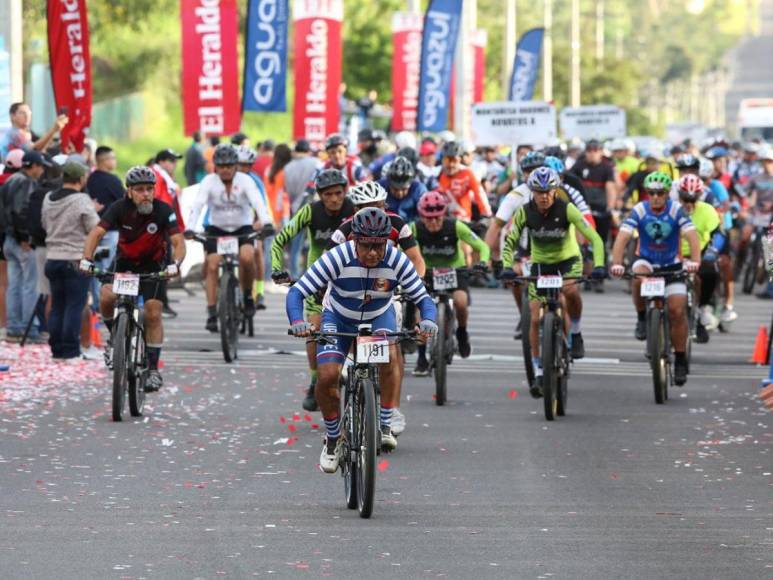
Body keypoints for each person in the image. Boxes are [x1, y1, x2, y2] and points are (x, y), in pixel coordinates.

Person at [286, 207, 437, 472]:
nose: (373, 253)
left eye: (379, 246)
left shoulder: (395, 259)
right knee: (328, 375)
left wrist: (428, 321)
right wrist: (298, 321)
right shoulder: (338, 256)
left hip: (378, 317)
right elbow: (297, 292)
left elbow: (423, 298)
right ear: (355, 240)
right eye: (366, 245)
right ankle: (333, 438)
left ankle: (385, 423)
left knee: (391, 357)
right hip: (338, 317)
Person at [501, 168, 606, 398]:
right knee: (535, 317)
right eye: (539, 192)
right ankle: (539, 368)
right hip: (541, 264)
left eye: (549, 191)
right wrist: (507, 267)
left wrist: (598, 265)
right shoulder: (525, 212)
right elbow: (510, 242)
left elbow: (594, 238)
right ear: (532, 192)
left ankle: (575, 333)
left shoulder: (567, 209)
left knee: (570, 291)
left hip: (568, 261)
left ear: (556, 190)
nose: (545, 196)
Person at [81, 166, 185, 390]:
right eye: (139, 190)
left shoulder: (163, 210)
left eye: (149, 189)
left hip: (154, 267)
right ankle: (114, 339)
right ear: (129, 191)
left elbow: (178, 241)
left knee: (153, 311)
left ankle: (153, 369)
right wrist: (87, 259)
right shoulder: (119, 208)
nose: (146, 194)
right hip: (125, 265)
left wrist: (175, 264)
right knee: (106, 297)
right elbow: (96, 233)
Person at [271, 169, 355, 411]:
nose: (334, 199)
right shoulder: (310, 211)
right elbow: (280, 240)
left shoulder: (354, 210)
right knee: (314, 331)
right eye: (327, 194)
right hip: (317, 281)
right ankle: (315, 379)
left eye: (338, 193)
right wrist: (278, 269)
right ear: (319, 195)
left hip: (347, 278)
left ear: (345, 192)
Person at [609, 171, 701, 386]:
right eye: (651, 193)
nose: (656, 197)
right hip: (648, 261)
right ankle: (642, 318)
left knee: (678, 311)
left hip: (672, 265)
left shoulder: (677, 210)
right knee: (636, 275)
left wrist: (695, 262)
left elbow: (692, 236)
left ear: (668, 193)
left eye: (660, 193)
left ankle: (679, 359)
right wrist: (616, 263)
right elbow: (622, 237)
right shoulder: (640, 209)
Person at [185, 144, 272, 331]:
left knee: (248, 257)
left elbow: (258, 202)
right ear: (215, 166)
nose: (225, 170)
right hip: (217, 230)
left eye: (229, 166)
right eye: (221, 166)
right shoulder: (209, 181)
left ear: (235, 166)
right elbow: (198, 205)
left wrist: (267, 222)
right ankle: (211, 312)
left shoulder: (246, 181)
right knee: (212, 264)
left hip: (242, 228)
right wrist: (190, 228)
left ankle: (248, 295)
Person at [411, 191, 490, 375]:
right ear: (421, 217)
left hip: (454, 270)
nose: (433, 223)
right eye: (428, 219)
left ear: (443, 215)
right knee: (420, 313)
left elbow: (482, 246)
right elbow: (398, 248)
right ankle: (421, 357)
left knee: (461, 302)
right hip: (428, 272)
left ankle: (462, 333)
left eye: (437, 218)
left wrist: (483, 262)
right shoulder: (414, 228)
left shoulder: (455, 226)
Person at [42, 161, 100, 360]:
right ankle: (70, 350)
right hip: (75, 258)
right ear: (81, 179)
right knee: (75, 305)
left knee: (57, 305)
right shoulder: (82, 199)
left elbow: (43, 223)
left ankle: (56, 350)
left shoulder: (48, 198)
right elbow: (94, 228)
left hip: (52, 258)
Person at [2, 151, 52, 342]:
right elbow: (21, 211)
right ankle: (28, 330)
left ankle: (14, 327)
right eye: (41, 166)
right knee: (30, 285)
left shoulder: (10, 180)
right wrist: (24, 236)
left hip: (8, 240)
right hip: (22, 241)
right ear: (34, 166)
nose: (42, 171)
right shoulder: (26, 182)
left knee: (14, 285)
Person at [674, 175, 723, 343]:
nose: (688, 204)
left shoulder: (708, 210)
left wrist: (713, 249)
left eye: (692, 199)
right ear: (678, 196)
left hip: (699, 254)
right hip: (673, 254)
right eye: (684, 199)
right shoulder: (670, 208)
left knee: (711, 271)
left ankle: (702, 309)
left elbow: (719, 234)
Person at [569, 140, 617, 292]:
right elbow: (569, 184)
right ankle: (585, 273)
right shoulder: (579, 165)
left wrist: (610, 207)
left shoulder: (606, 167)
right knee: (581, 243)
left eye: (595, 150)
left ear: (601, 151)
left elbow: (610, 188)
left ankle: (599, 276)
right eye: (589, 150)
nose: (592, 153)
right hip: (582, 209)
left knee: (600, 242)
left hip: (601, 210)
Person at [237, 145, 273, 311]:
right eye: (240, 164)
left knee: (257, 250)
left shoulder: (255, 181)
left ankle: (259, 292)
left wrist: (260, 224)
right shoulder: (228, 178)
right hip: (233, 223)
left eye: (247, 165)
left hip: (253, 221)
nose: (243, 169)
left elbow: (262, 207)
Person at [436, 141, 491, 224]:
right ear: (442, 160)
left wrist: (487, 214)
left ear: (460, 160)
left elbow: (479, 193)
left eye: (454, 160)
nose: (451, 165)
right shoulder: (438, 174)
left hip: (463, 220)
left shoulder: (467, 173)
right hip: (442, 221)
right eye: (447, 160)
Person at [0, 102, 68, 158]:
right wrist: (53, 130)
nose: (27, 115)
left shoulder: (28, 132)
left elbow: (42, 146)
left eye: (28, 112)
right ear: (13, 116)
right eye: (22, 113)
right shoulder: (14, 134)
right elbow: (35, 149)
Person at [378, 155, 426, 223]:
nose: (400, 193)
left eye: (404, 189)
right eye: (395, 189)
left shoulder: (419, 189)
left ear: (411, 183)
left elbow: (426, 215)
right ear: (388, 183)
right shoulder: (379, 187)